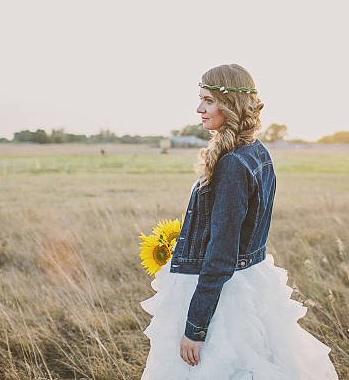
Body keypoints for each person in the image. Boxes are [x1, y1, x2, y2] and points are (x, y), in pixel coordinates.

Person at [140, 64, 338, 379]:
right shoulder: (256, 152)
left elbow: (221, 254)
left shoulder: (232, 164)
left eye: (208, 100)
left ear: (230, 104)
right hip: (249, 280)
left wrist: (196, 328)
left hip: (225, 295)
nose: (198, 109)